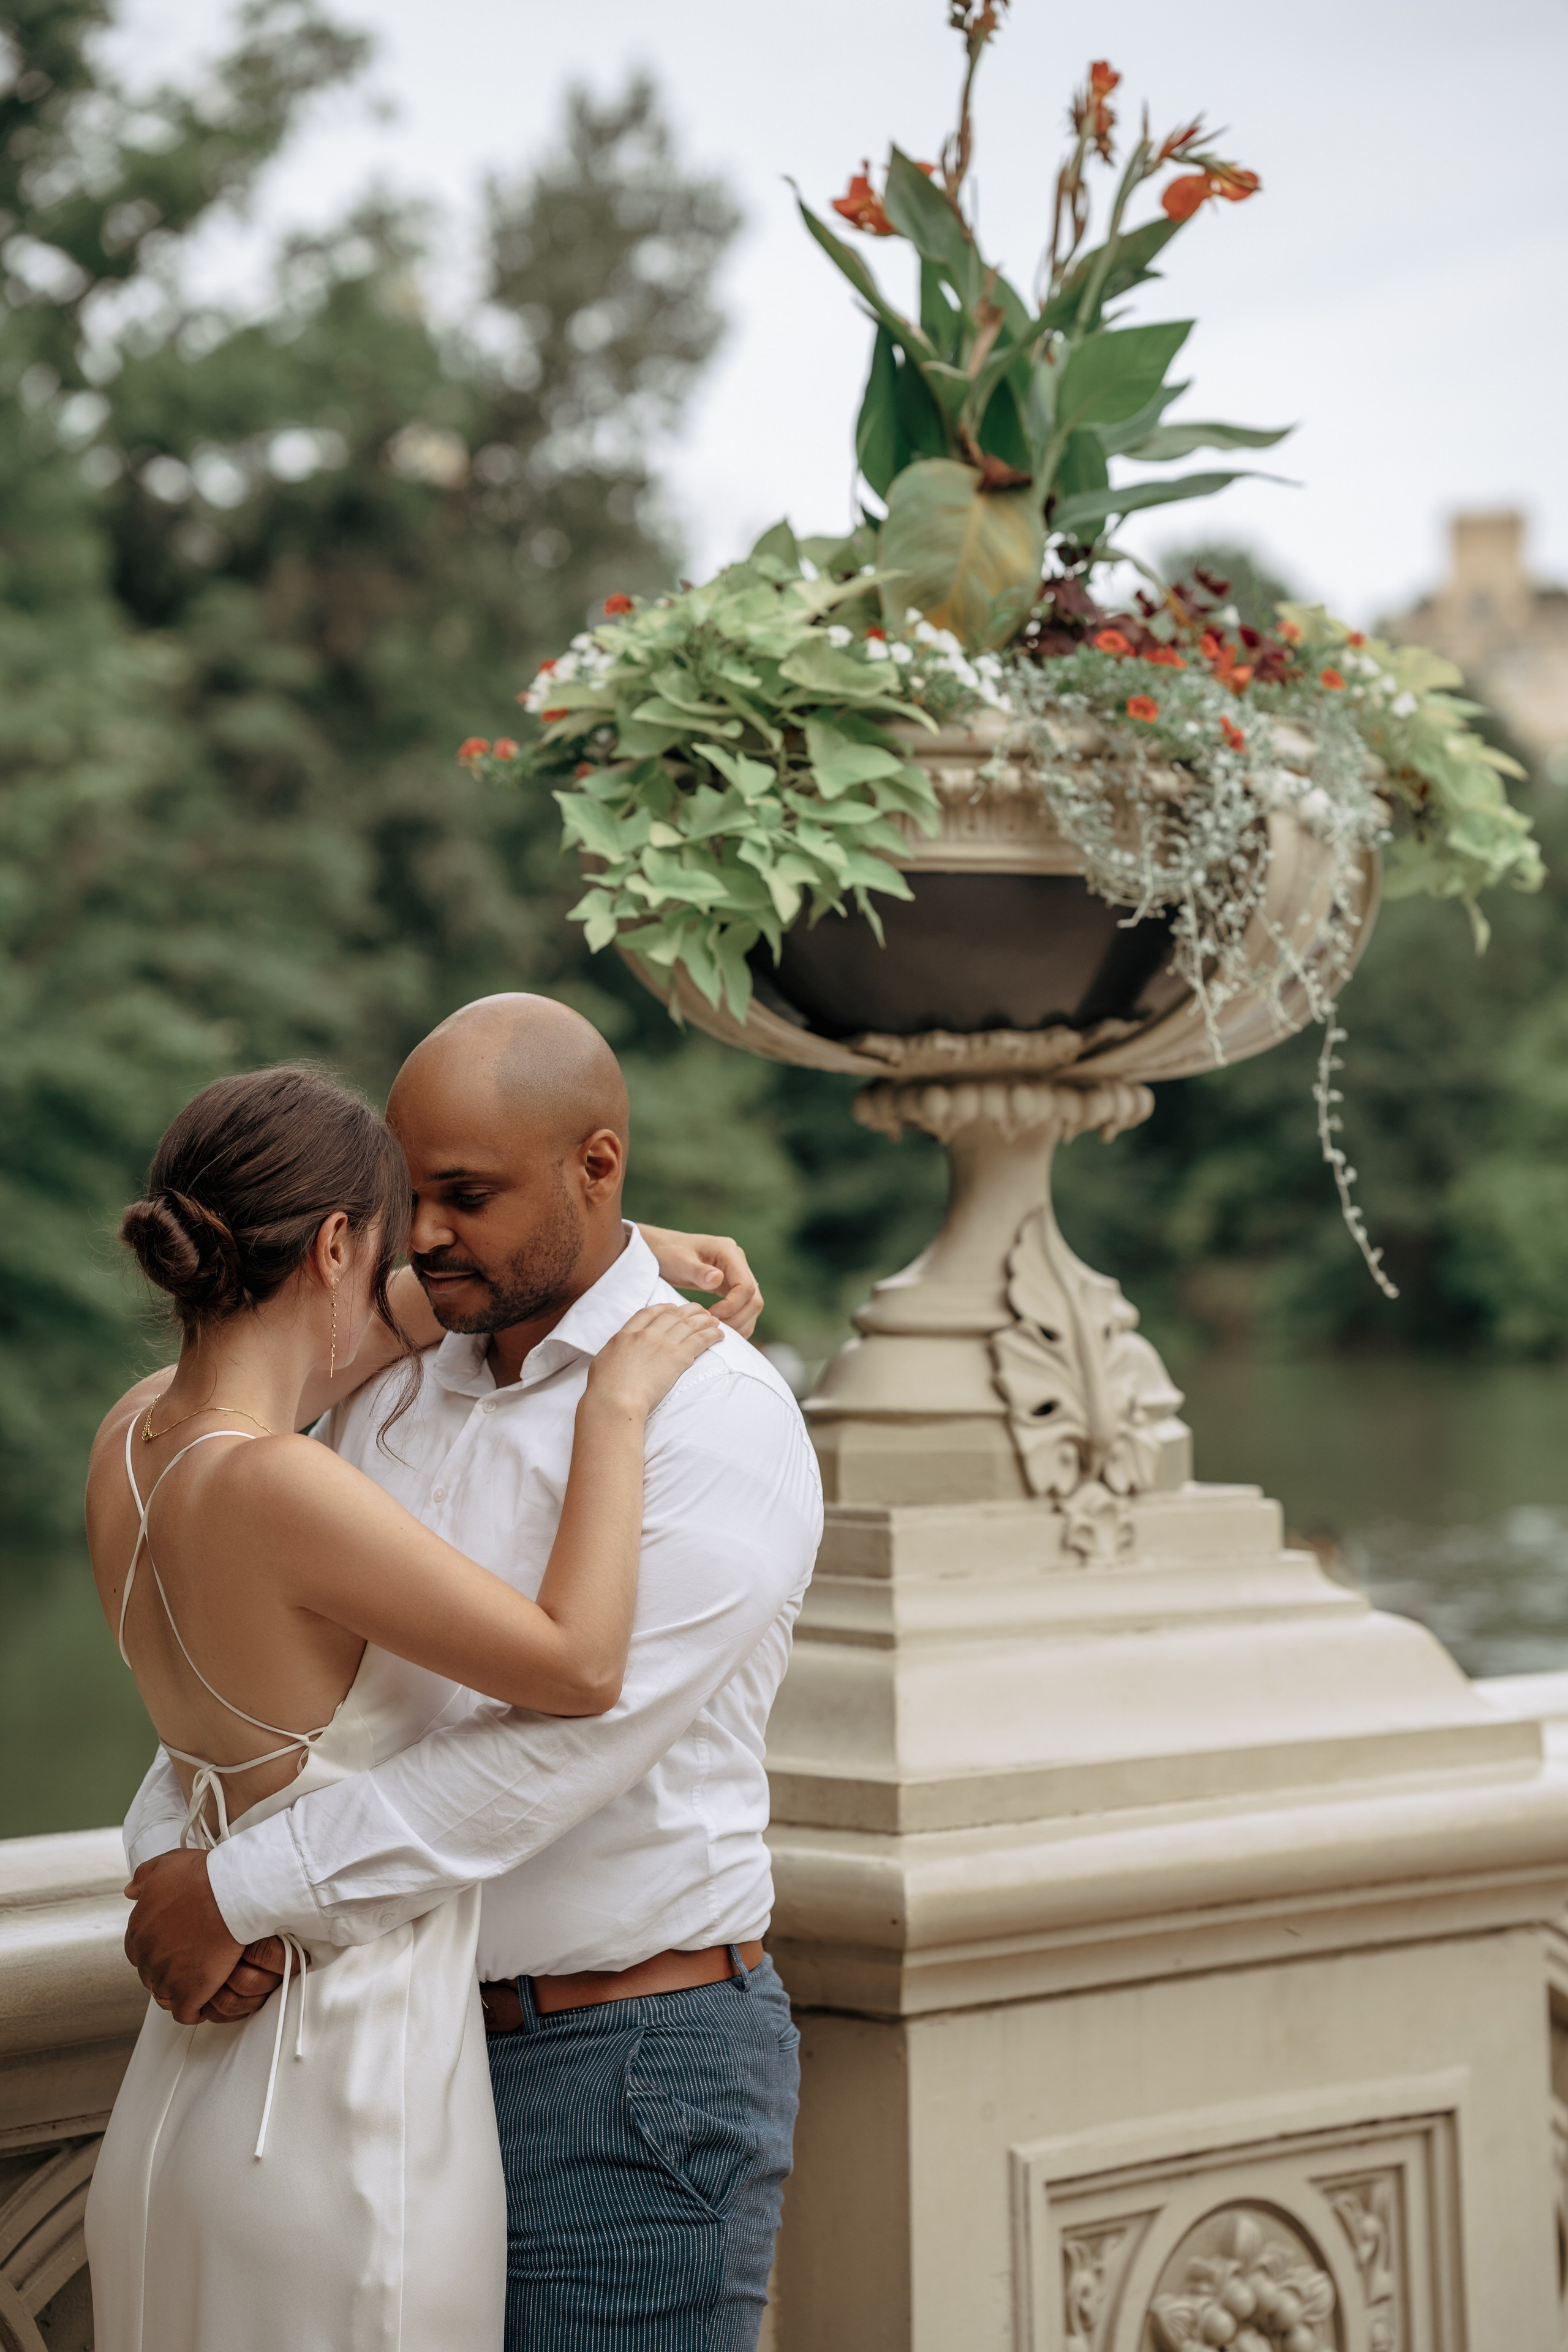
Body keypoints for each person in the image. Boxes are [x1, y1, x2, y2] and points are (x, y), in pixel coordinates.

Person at [116, 993, 824, 2352]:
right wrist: (169, 1845)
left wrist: (238, 1887)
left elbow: (556, 1747)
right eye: (407, 1193)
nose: (426, 1231)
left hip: (615, 2071)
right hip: (355, 2046)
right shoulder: (380, 1381)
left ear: (596, 1166)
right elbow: (266, 1669)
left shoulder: (714, 1417)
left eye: (468, 1195)